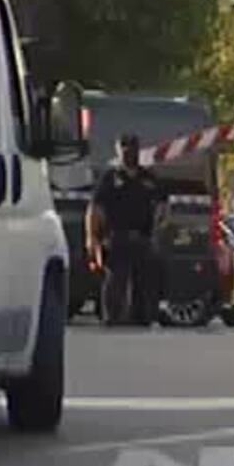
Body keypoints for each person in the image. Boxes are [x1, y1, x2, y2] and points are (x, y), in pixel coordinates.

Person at [86, 133, 164, 327]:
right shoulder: (110, 178)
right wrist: (92, 237)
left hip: (142, 237)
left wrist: (157, 230)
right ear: (118, 150)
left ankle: (142, 318)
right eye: (124, 147)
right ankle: (112, 318)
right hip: (116, 237)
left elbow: (163, 205)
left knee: (145, 280)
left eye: (132, 147)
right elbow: (95, 208)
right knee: (115, 279)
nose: (129, 151)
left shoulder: (149, 178)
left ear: (139, 150)